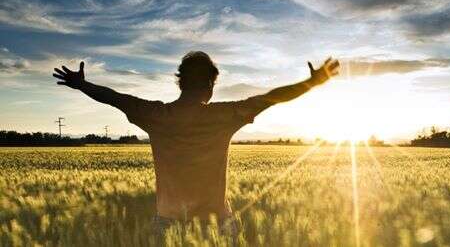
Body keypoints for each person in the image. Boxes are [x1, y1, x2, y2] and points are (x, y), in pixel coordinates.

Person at [51, 51, 340, 236]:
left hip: (167, 227)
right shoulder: (224, 115)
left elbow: (115, 98)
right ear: (211, 85)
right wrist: (312, 83)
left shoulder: (155, 115)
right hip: (219, 226)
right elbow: (270, 98)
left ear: (180, 83)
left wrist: (82, 85)